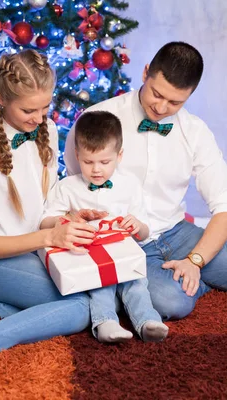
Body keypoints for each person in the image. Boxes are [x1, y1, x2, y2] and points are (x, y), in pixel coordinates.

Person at [63, 42, 227, 321]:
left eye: (175, 102)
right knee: (173, 303)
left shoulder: (195, 132)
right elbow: (75, 183)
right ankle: (193, 282)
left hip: (179, 234)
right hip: (126, 241)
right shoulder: (97, 120)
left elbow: (226, 207)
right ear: (145, 73)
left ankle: (192, 273)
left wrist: (195, 260)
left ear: (190, 94)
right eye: (156, 94)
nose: (161, 107)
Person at [0, 50, 104, 380]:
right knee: (82, 306)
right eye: (28, 110)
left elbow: (44, 208)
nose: (39, 118)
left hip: (36, 250)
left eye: (45, 107)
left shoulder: (47, 129)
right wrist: (49, 237)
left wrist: (66, 218)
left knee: (94, 286)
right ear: (0, 97)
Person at [40, 111, 169, 343]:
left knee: (138, 283)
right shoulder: (67, 187)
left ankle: (148, 321)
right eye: (88, 162)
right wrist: (67, 220)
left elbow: (145, 232)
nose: (96, 170)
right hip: (88, 256)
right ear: (77, 155)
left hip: (124, 253)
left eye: (104, 162)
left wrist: (137, 226)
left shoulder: (129, 185)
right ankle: (105, 323)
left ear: (119, 156)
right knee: (100, 285)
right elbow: (45, 221)